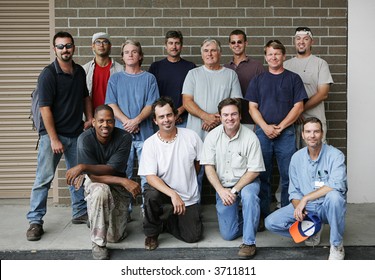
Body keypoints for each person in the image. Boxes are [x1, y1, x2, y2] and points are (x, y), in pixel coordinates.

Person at [26, 31, 93, 241]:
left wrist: (89, 118)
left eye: (68, 46)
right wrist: (54, 139)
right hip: (52, 136)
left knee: (78, 176)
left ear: (73, 47)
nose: (65, 50)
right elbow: (45, 109)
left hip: (76, 133)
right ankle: (35, 221)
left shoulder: (80, 71)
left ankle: (79, 212)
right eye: (61, 46)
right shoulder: (48, 74)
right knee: (43, 179)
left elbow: (85, 97)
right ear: (55, 49)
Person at [265, 117, 347, 260]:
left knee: (335, 198)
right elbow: (294, 191)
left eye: (316, 131)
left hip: (326, 207)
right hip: (307, 208)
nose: (312, 135)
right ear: (302, 134)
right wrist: (300, 208)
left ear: (322, 133)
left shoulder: (335, 155)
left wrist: (306, 198)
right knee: (271, 222)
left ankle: (336, 245)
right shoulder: (296, 158)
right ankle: (311, 230)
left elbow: (337, 184)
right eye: (308, 131)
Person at [66, 105, 141, 260]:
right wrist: (123, 180)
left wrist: (84, 167)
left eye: (109, 121)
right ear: (93, 122)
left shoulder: (124, 138)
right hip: (98, 184)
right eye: (100, 121)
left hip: (116, 185)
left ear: (114, 122)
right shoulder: (85, 139)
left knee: (115, 237)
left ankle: (97, 219)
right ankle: (98, 244)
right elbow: (93, 177)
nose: (105, 125)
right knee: (100, 191)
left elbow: (112, 169)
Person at [245, 39, 308, 220]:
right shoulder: (258, 79)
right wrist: (265, 127)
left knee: (288, 176)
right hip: (262, 134)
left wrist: (280, 127)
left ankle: (287, 216)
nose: (273, 57)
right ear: (266, 57)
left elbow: (299, 107)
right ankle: (263, 215)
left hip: (286, 133)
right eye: (270, 54)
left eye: (277, 54)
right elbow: (252, 107)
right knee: (262, 176)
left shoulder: (293, 79)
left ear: (283, 56)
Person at [200, 98, 265, 259]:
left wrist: (235, 191)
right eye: (226, 115)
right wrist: (221, 191)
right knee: (228, 234)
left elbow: (254, 171)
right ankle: (253, 218)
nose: (230, 118)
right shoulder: (212, 136)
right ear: (220, 117)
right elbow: (208, 167)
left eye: (234, 114)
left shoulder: (250, 137)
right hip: (223, 186)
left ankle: (249, 243)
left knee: (249, 196)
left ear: (240, 116)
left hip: (246, 183)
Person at [138, 97, 203, 250]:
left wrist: (186, 182)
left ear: (175, 116)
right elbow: (150, 177)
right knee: (151, 194)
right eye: (161, 117)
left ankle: (168, 220)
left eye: (169, 115)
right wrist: (173, 194)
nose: (166, 120)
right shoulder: (150, 144)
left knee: (193, 236)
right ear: (155, 120)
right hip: (162, 192)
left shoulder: (191, 136)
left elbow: (199, 162)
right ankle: (152, 233)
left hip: (187, 195)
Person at [105, 39, 159, 197]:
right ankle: (124, 212)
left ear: (140, 56)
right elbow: (111, 103)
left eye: (134, 52)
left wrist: (136, 121)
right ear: (122, 56)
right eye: (127, 52)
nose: (130, 55)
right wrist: (127, 122)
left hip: (145, 135)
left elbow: (152, 105)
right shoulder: (115, 79)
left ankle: (147, 211)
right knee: (123, 175)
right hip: (121, 136)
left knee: (148, 175)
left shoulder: (149, 78)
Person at [284, 27, 334, 147]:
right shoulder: (285, 65)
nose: (301, 42)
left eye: (306, 39)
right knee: (295, 159)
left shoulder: (320, 64)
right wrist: (294, 114)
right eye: (298, 38)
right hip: (291, 123)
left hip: (314, 122)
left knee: (316, 156)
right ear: (294, 41)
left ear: (312, 42)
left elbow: (323, 93)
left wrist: (299, 110)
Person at [148, 30, 196, 128]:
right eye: (170, 43)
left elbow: (195, 94)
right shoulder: (155, 67)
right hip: (161, 118)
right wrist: (169, 114)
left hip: (184, 119)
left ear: (181, 46)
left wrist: (177, 112)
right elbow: (151, 95)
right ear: (166, 45)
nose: (174, 47)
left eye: (177, 43)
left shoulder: (190, 67)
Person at [224, 29, 265, 130]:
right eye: (233, 42)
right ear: (229, 45)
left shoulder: (257, 66)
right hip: (230, 120)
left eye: (240, 42)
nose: (236, 45)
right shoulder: (225, 68)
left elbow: (264, 94)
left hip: (251, 120)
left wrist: (259, 121)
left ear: (246, 43)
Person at [83, 32, 123, 111]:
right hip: (92, 118)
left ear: (110, 46)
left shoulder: (120, 69)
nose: (101, 45)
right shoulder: (85, 69)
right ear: (93, 46)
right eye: (98, 42)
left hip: (113, 117)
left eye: (105, 42)